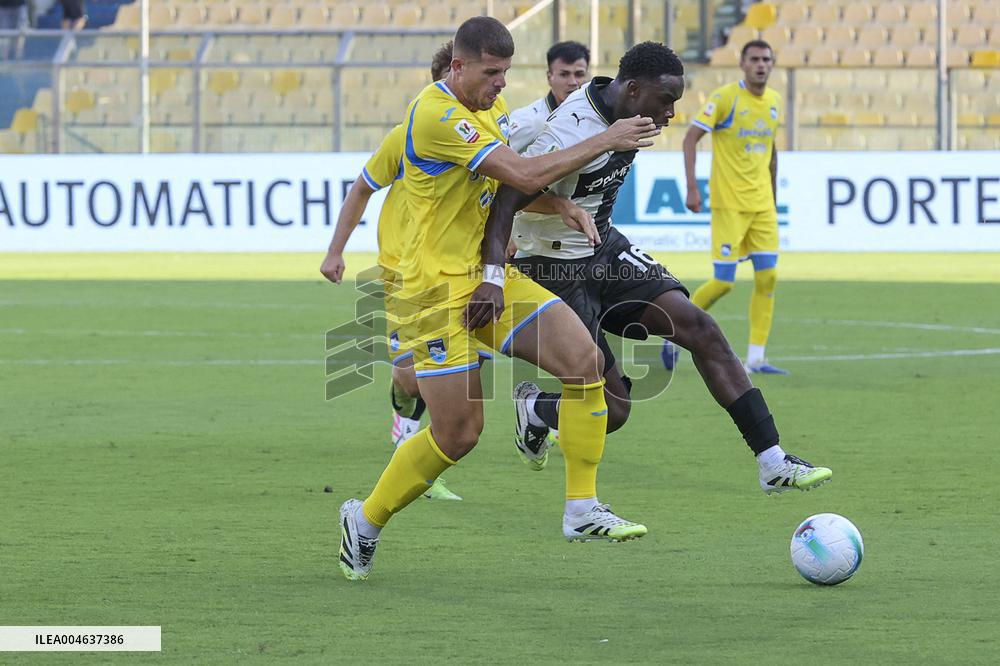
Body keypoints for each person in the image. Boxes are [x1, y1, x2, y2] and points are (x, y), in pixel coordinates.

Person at [338, 16, 661, 581]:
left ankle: (581, 509)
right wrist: (606, 137)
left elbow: (502, 192)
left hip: (484, 277)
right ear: (457, 66)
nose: (502, 84)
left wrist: (557, 207)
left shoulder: (483, 111)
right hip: (431, 292)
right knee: (458, 436)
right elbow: (523, 170)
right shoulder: (437, 115)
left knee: (584, 361)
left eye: (507, 72)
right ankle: (364, 520)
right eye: (492, 72)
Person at [487, 42, 832, 498]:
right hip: (551, 266)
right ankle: (537, 410)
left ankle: (772, 461)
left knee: (699, 327)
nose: (671, 113)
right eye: (665, 101)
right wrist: (559, 209)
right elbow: (510, 193)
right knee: (615, 410)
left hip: (604, 250)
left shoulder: (626, 112)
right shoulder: (570, 129)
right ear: (632, 89)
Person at [321, 42, 465, 501]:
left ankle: (423, 457)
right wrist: (335, 251)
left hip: (457, 273)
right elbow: (361, 189)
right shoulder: (407, 135)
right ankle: (406, 423)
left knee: (454, 380)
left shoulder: (480, 133)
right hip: (404, 271)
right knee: (412, 376)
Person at [667, 39, 787, 375]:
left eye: (766, 59)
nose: (761, 64)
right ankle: (673, 332)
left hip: (762, 206)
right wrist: (692, 187)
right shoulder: (725, 99)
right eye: (755, 59)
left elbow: (771, 152)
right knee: (724, 282)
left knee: (769, 277)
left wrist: (773, 198)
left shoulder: (775, 102)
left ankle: (757, 358)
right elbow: (690, 138)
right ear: (742, 63)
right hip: (729, 204)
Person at [508, 40, 590, 153]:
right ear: (549, 78)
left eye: (579, 74)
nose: (573, 82)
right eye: (564, 74)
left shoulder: (592, 117)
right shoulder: (530, 121)